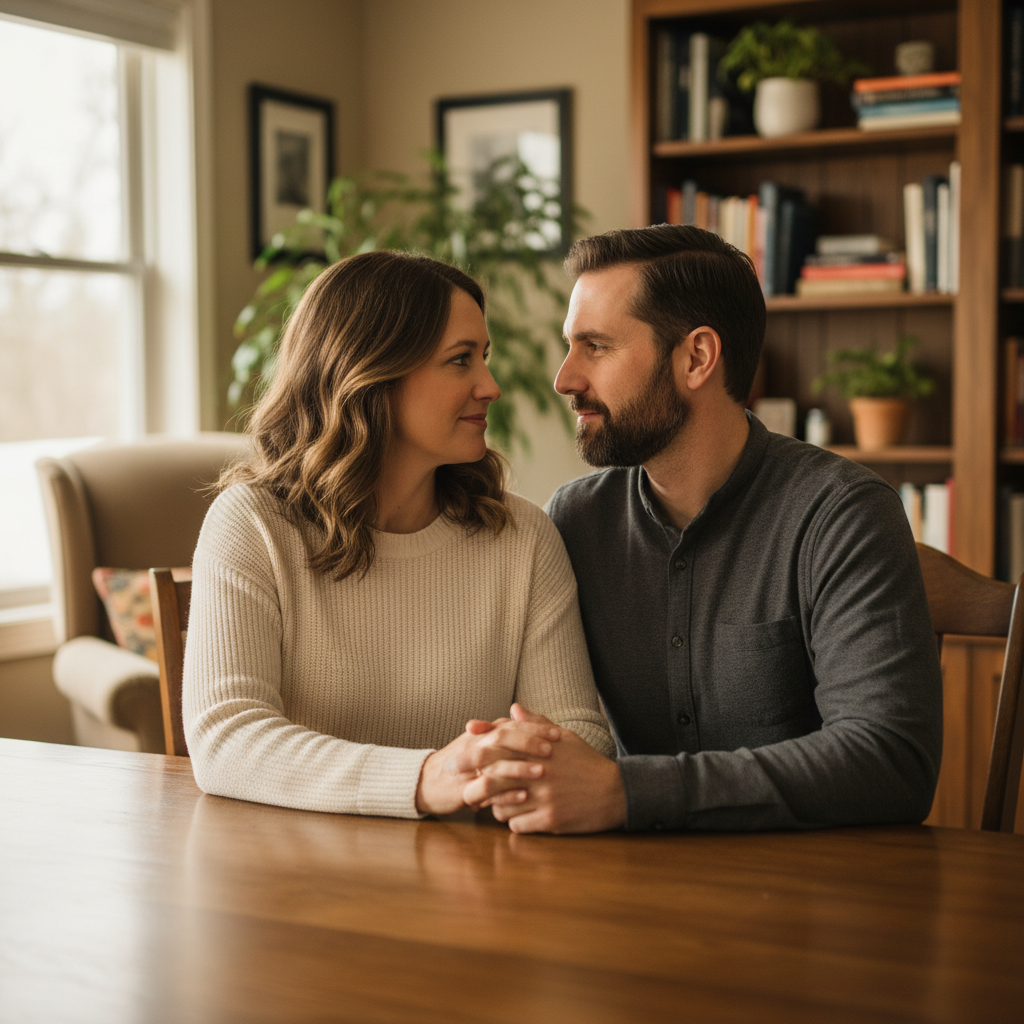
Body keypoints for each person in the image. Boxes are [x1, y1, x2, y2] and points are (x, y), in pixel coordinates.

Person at [463, 224, 943, 834]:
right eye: (570, 345)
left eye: (597, 347)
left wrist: (627, 792)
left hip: (819, 900)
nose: (565, 378)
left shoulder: (842, 515)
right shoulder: (576, 521)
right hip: (632, 890)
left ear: (696, 358)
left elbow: (892, 760)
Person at [183, 250, 613, 818]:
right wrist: (426, 778)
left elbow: (581, 735)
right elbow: (228, 739)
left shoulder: (524, 537)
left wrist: (491, 772)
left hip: (478, 880)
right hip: (291, 881)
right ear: (370, 373)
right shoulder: (253, 525)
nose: (491, 386)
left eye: (485, 358)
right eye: (461, 361)